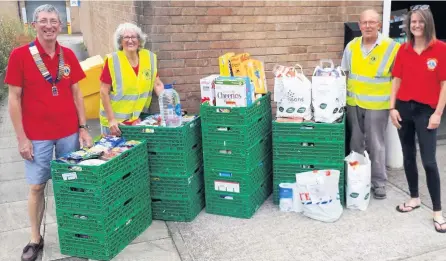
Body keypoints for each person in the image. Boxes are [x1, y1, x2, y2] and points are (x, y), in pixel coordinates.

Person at [4, 4, 93, 261]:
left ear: (60, 24)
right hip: (37, 136)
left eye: (54, 21)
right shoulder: (20, 55)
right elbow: (14, 99)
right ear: (34, 25)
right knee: (36, 187)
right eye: (43, 21)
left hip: (68, 133)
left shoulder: (68, 55)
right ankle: (35, 238)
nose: (49, 25)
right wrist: (22, 138)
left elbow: (77, 93)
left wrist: (83, 128)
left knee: (72, 183)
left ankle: (77, 229)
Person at [390, 5, 446, 233]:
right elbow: (396, 80)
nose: (416, 25)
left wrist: (438, 114)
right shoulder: (403, 50)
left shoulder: (440, 49)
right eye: (413, 22)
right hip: (404, 108)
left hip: (427, 112)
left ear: (428, 23)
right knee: (408, 156)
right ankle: (414, 197)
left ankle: (438, 212)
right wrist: (391, 108)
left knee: (429, 161)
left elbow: (444, 85)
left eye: (420, 21)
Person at [341, 9, 400, 199]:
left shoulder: (391, 47)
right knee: (355, 143)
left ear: (379, 25)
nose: (367, 26)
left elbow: (399, 78)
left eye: (372, 22)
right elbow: (345, 73)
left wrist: (393, 105)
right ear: (359, 25)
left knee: (376, 144)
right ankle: (356, 178)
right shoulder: (351, 46)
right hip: (354, 103)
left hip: (378, 105)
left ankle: (378, 183)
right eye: (364, 23)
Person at [99, 22, 164, 136]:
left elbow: (157, 84)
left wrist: (168, 104)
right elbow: (104, 92)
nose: (130, 40)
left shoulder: (149, 57)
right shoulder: (113, 60)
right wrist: (111, 120)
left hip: (136, 120)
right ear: (120, 41)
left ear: (139, 40)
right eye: (126, 37)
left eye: (133, 37)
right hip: (115, 124)